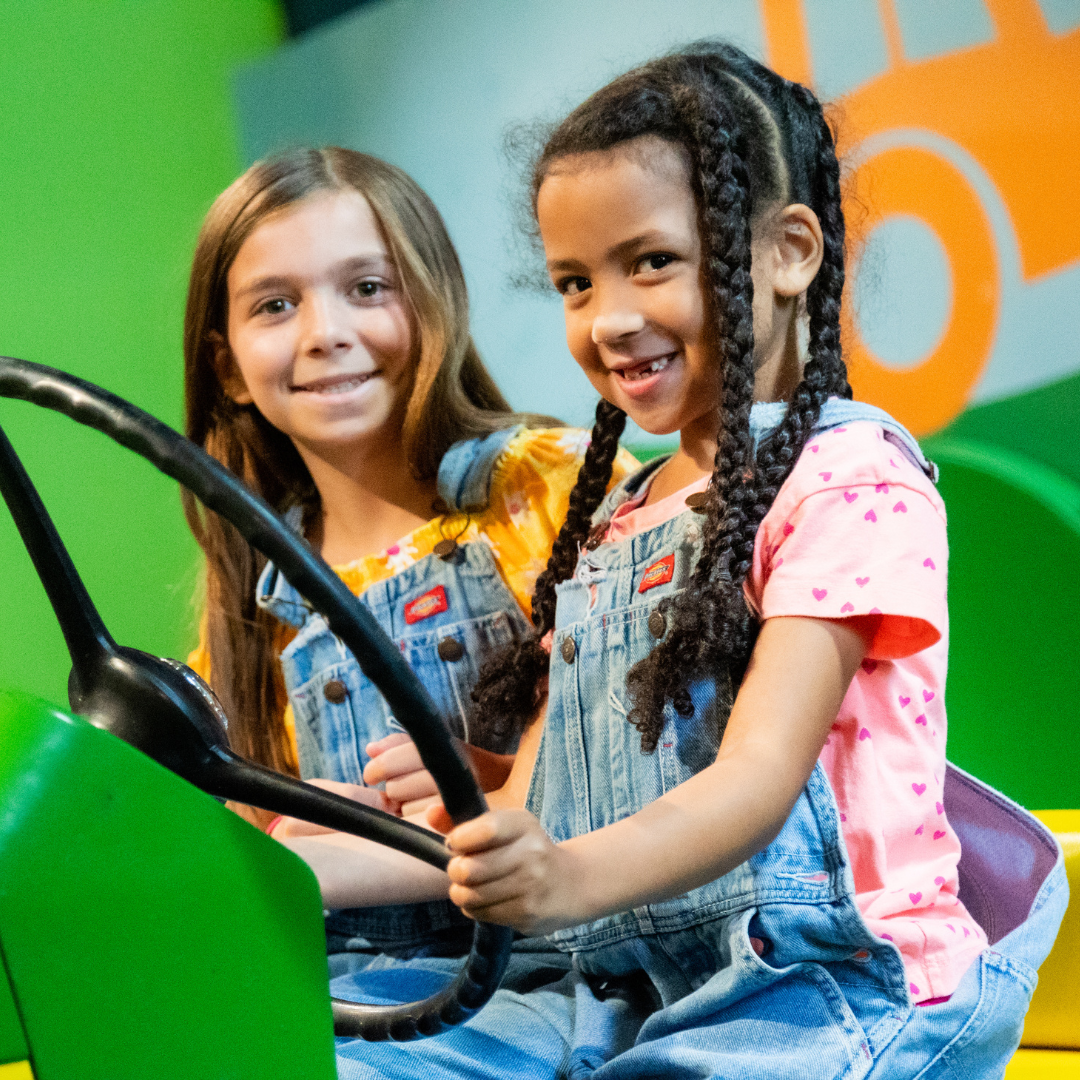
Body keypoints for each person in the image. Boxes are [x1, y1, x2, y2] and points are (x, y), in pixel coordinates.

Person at [309, 43, 1066, 1078]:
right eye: (575, 282)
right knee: (322, 1043)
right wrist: (297, 867)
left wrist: (566, 878)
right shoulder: (618, 517)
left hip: (817, 989)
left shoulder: (847, 482)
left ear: (789, 252)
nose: (609, 318)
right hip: (618, 986)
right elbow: (531, 814)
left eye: (650, 261)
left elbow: (756, 778)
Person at [181, 146, 637, 965]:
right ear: (230, 368)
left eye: (366, 289)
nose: (326, 335)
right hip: (368, 999)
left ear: (431, 304)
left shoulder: (550, 489)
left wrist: (499, 787)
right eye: (276, 305)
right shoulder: (253, 612)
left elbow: (660, 760)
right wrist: (271, 825)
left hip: (576, 972)